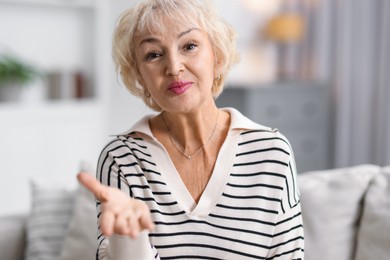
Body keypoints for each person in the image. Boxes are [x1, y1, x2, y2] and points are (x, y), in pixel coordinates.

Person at [78, 0, 305, 259]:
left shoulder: (272, 152)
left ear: (217, 57)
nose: (174, 67)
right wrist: (129, 238)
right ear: (140, 76)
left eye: (189, 46)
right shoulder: (121, 158)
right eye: (153, 54)